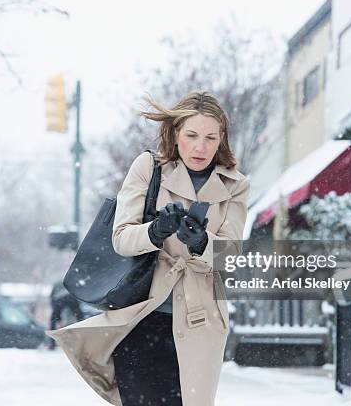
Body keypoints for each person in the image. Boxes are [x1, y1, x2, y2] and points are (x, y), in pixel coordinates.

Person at [46, 92, 250, 406]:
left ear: (221, 138)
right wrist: (155, 232)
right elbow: (122, 239)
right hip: (142, 317)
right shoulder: (149, 167)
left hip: (200, 322)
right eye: (192, 135)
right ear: (176, 133)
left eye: (210, 137)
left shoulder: (235, 184)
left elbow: (232, 256)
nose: (200, 147)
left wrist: (201, 243)